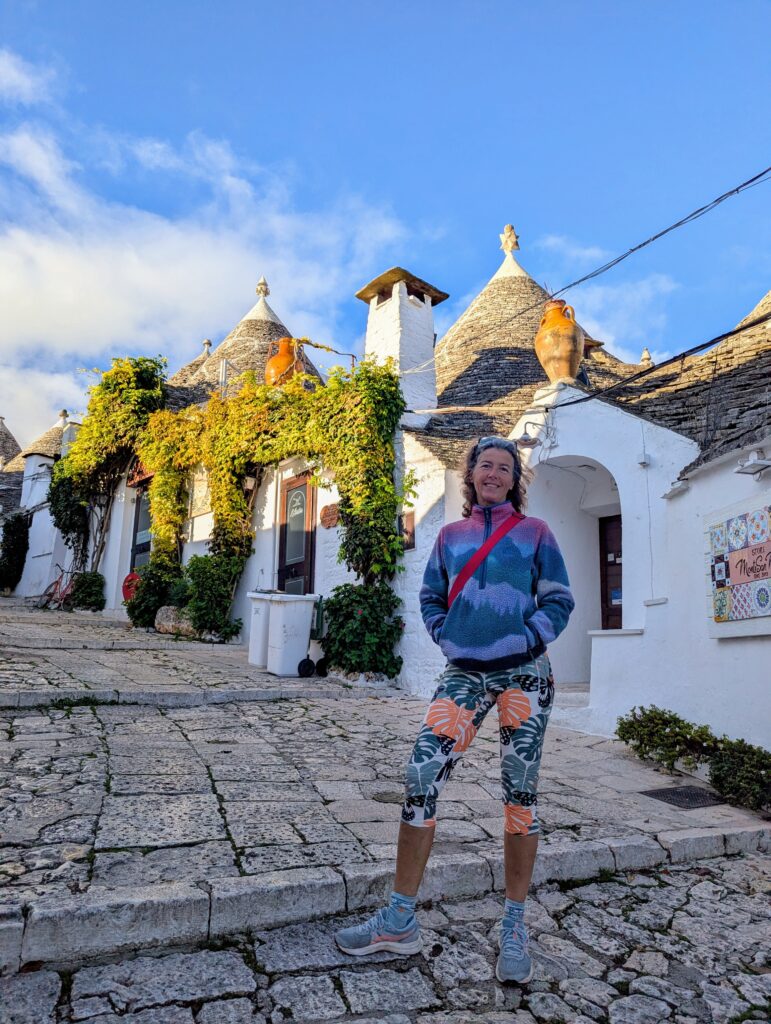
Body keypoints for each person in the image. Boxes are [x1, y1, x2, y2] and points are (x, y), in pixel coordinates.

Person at [335, 435, 574, 984]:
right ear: (471, 475)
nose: (493, 473)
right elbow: (429, 597)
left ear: (515, 479)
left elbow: (559, 598)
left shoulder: (537, 533)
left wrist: (528, 636)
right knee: (421, 772)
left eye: (503, 467)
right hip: (464, 673)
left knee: (520, 792)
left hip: (525, 674)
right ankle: (399, 919)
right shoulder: (449, 536)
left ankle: (513, 923)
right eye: (484, 465)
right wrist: (448, 635)